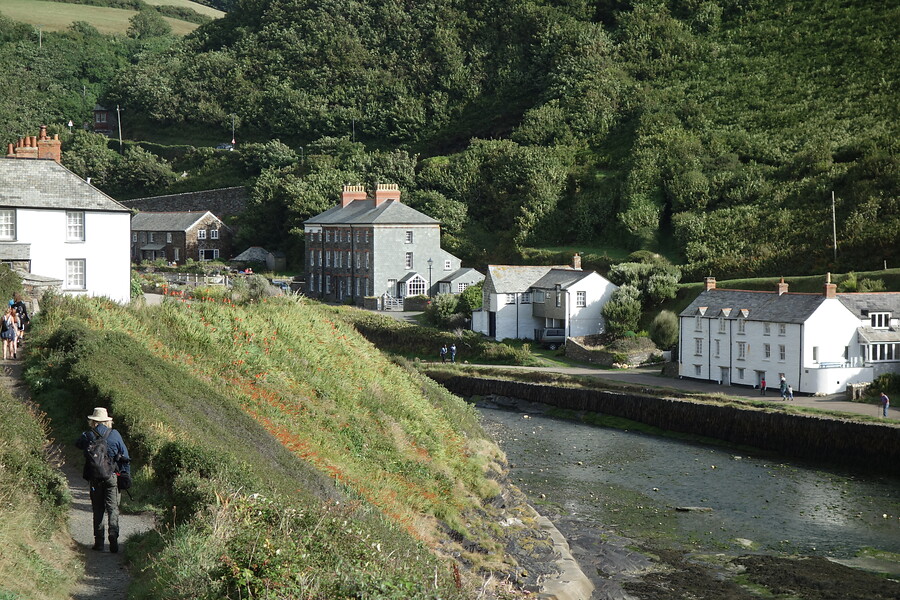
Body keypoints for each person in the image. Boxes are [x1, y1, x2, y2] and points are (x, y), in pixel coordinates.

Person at [75, 407, 131, 553]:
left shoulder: (88, 435)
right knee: (113, 508)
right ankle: (113, 537)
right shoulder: (115, 434)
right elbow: (125, 456)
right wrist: (125, 475)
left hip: (95, 479)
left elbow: (77, 444)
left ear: (92, 421)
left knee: (98, 509)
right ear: (107, 421)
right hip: (112, 477)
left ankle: (99, 542)